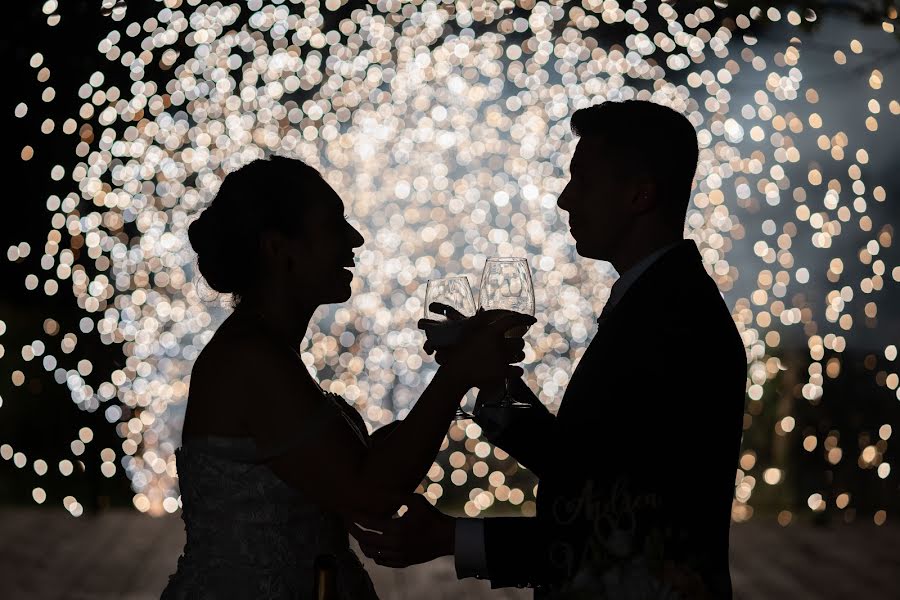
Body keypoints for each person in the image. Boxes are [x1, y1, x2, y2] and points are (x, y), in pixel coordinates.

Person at [352, 100, 748, 598]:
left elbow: (625, 531)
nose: (564, 199)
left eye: (581, 179)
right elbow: (585, 466)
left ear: (640, 195)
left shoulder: (676, 324)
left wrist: (452, 537)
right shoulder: (660, 301)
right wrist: (494, 384)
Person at [161, 156, 534, 599]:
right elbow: (369, 494)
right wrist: (455, 376)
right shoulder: (250, 359)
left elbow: (335, 469)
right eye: (334, 225)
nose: (355, 239)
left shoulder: (264, 348)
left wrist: (465, 375)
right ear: (279, 249)